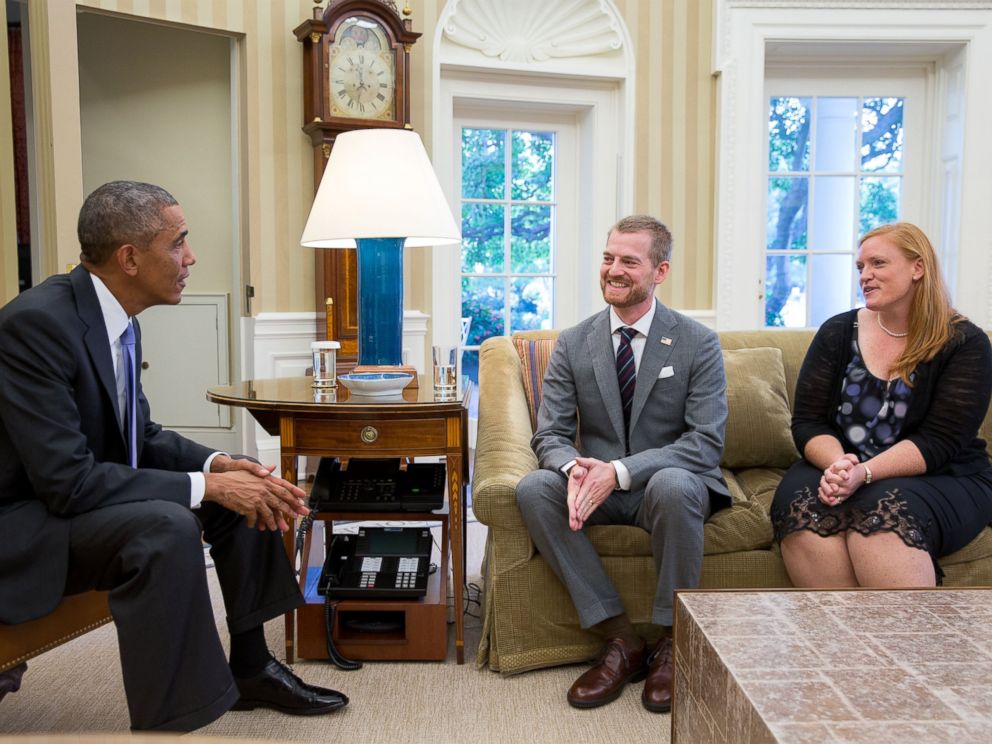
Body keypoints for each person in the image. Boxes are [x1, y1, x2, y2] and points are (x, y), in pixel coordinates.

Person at [0, 181, 348, 731]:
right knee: (166, 525)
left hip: (71, 500)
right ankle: (177, 720)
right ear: (130, 258)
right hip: (27, 523)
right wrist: (206, 488)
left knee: (244, 482)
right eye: (179, 242)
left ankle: (253, 667)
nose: (191, 257)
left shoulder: (118, 319)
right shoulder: (35, 325)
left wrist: (219, 469)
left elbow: (141, 436)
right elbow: (66, 482)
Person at [516, 215, 729, 713]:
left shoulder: (698, 342)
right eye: (609, 258)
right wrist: (576, 471)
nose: (613, 270)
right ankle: (621, 641)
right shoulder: (573, 342)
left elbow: (704, 442)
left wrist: (622, 471)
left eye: (629, 261)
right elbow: (549, 434)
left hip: (667, 487)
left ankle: (674, 643)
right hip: (598, 488)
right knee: (532, 489)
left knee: (675, 485)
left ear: (660, 271)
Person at [771, 222, 992, 588]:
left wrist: (865, 474)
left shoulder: (964, 343)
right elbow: (808, 422)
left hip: (940, 474)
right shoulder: (838, 332)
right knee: (802, 505)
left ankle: (902, 642)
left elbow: (939, 442)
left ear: (917, 268)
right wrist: (840, 466)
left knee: (880, 510)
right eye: (861, 267)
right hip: (840, 461)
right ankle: (838, 641)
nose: (866, 276)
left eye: (878, 264)